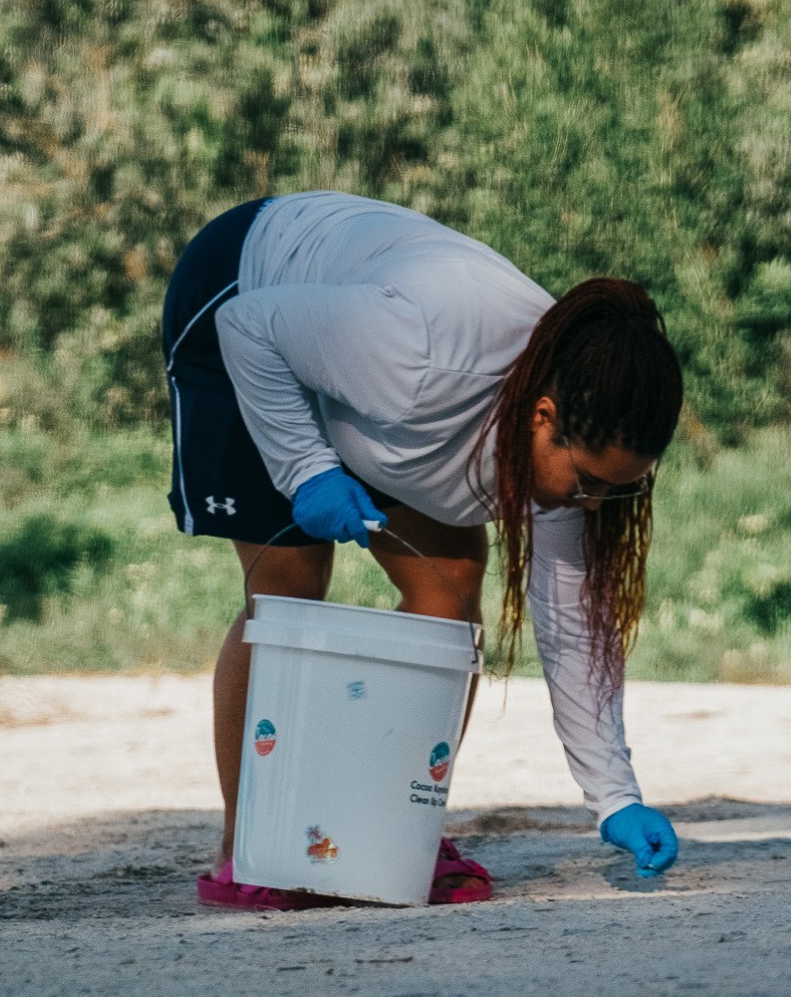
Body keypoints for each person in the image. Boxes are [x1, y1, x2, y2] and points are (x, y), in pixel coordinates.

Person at [162, 191, 686, 909]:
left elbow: (571, 629)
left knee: (450, 581)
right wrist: (306, 470)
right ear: (544, 418)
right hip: (246, 299)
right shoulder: (418, 355)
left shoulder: (572, 455)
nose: (592, 503)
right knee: (291, 579)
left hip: (361, 380)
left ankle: (388, 825)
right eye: (590, 481)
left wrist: (615, 796)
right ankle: (247, 845)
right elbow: (248, 327)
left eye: (616, 491)